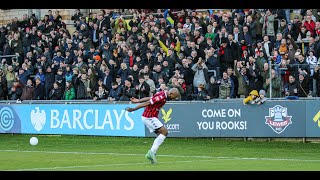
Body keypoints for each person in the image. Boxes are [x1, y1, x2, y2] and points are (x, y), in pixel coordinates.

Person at [125, 87, 180, 164]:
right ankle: (152, 152)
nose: (174, 98)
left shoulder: (162, 93)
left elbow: (150, 98)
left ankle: (152, 155)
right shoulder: (162, 97)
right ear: (171, 93)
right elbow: (147, 103)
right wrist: (134, 109)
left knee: (159, 135)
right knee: (164, 132)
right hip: (149, 117)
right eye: (174, 96)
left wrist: (138, 100)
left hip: (150, 117)